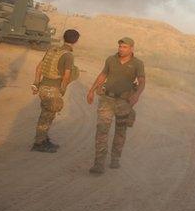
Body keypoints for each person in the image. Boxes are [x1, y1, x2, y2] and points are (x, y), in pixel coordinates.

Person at [86, 37, 145, 174]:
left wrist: (136, 95)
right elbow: (103, 75)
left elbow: (142, 81)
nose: (121, 49)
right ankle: (99, 163)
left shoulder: (137, 64)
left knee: (120, 131)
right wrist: (91, 90)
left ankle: (115, 158)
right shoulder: (110, 60)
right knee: (102, 130)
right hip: (107, 99)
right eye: (120, 46)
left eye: (124, 47)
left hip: (124, 102)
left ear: (131, 48)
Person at [31, 28, 80, 153]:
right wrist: (62, 89)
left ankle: (43, 138)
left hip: (43, 87)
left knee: (47, 114)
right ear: (76, 41)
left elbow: (39, 67)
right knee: (47, 116)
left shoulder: (53, 50)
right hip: (53, 89)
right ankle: (39, 143)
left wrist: (36, 83)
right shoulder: (68, 56)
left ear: (64, 38)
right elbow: (67, 75)